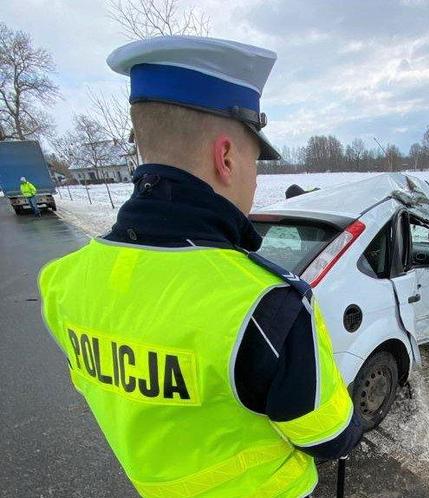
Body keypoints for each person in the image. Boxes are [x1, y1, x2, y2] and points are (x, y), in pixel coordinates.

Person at [39, 36, 362, 498]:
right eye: (255, 162)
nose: (255, 179)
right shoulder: (266, 304)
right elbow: (327, 436)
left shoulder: (62, 281)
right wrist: (352, 424)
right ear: (226, 157)